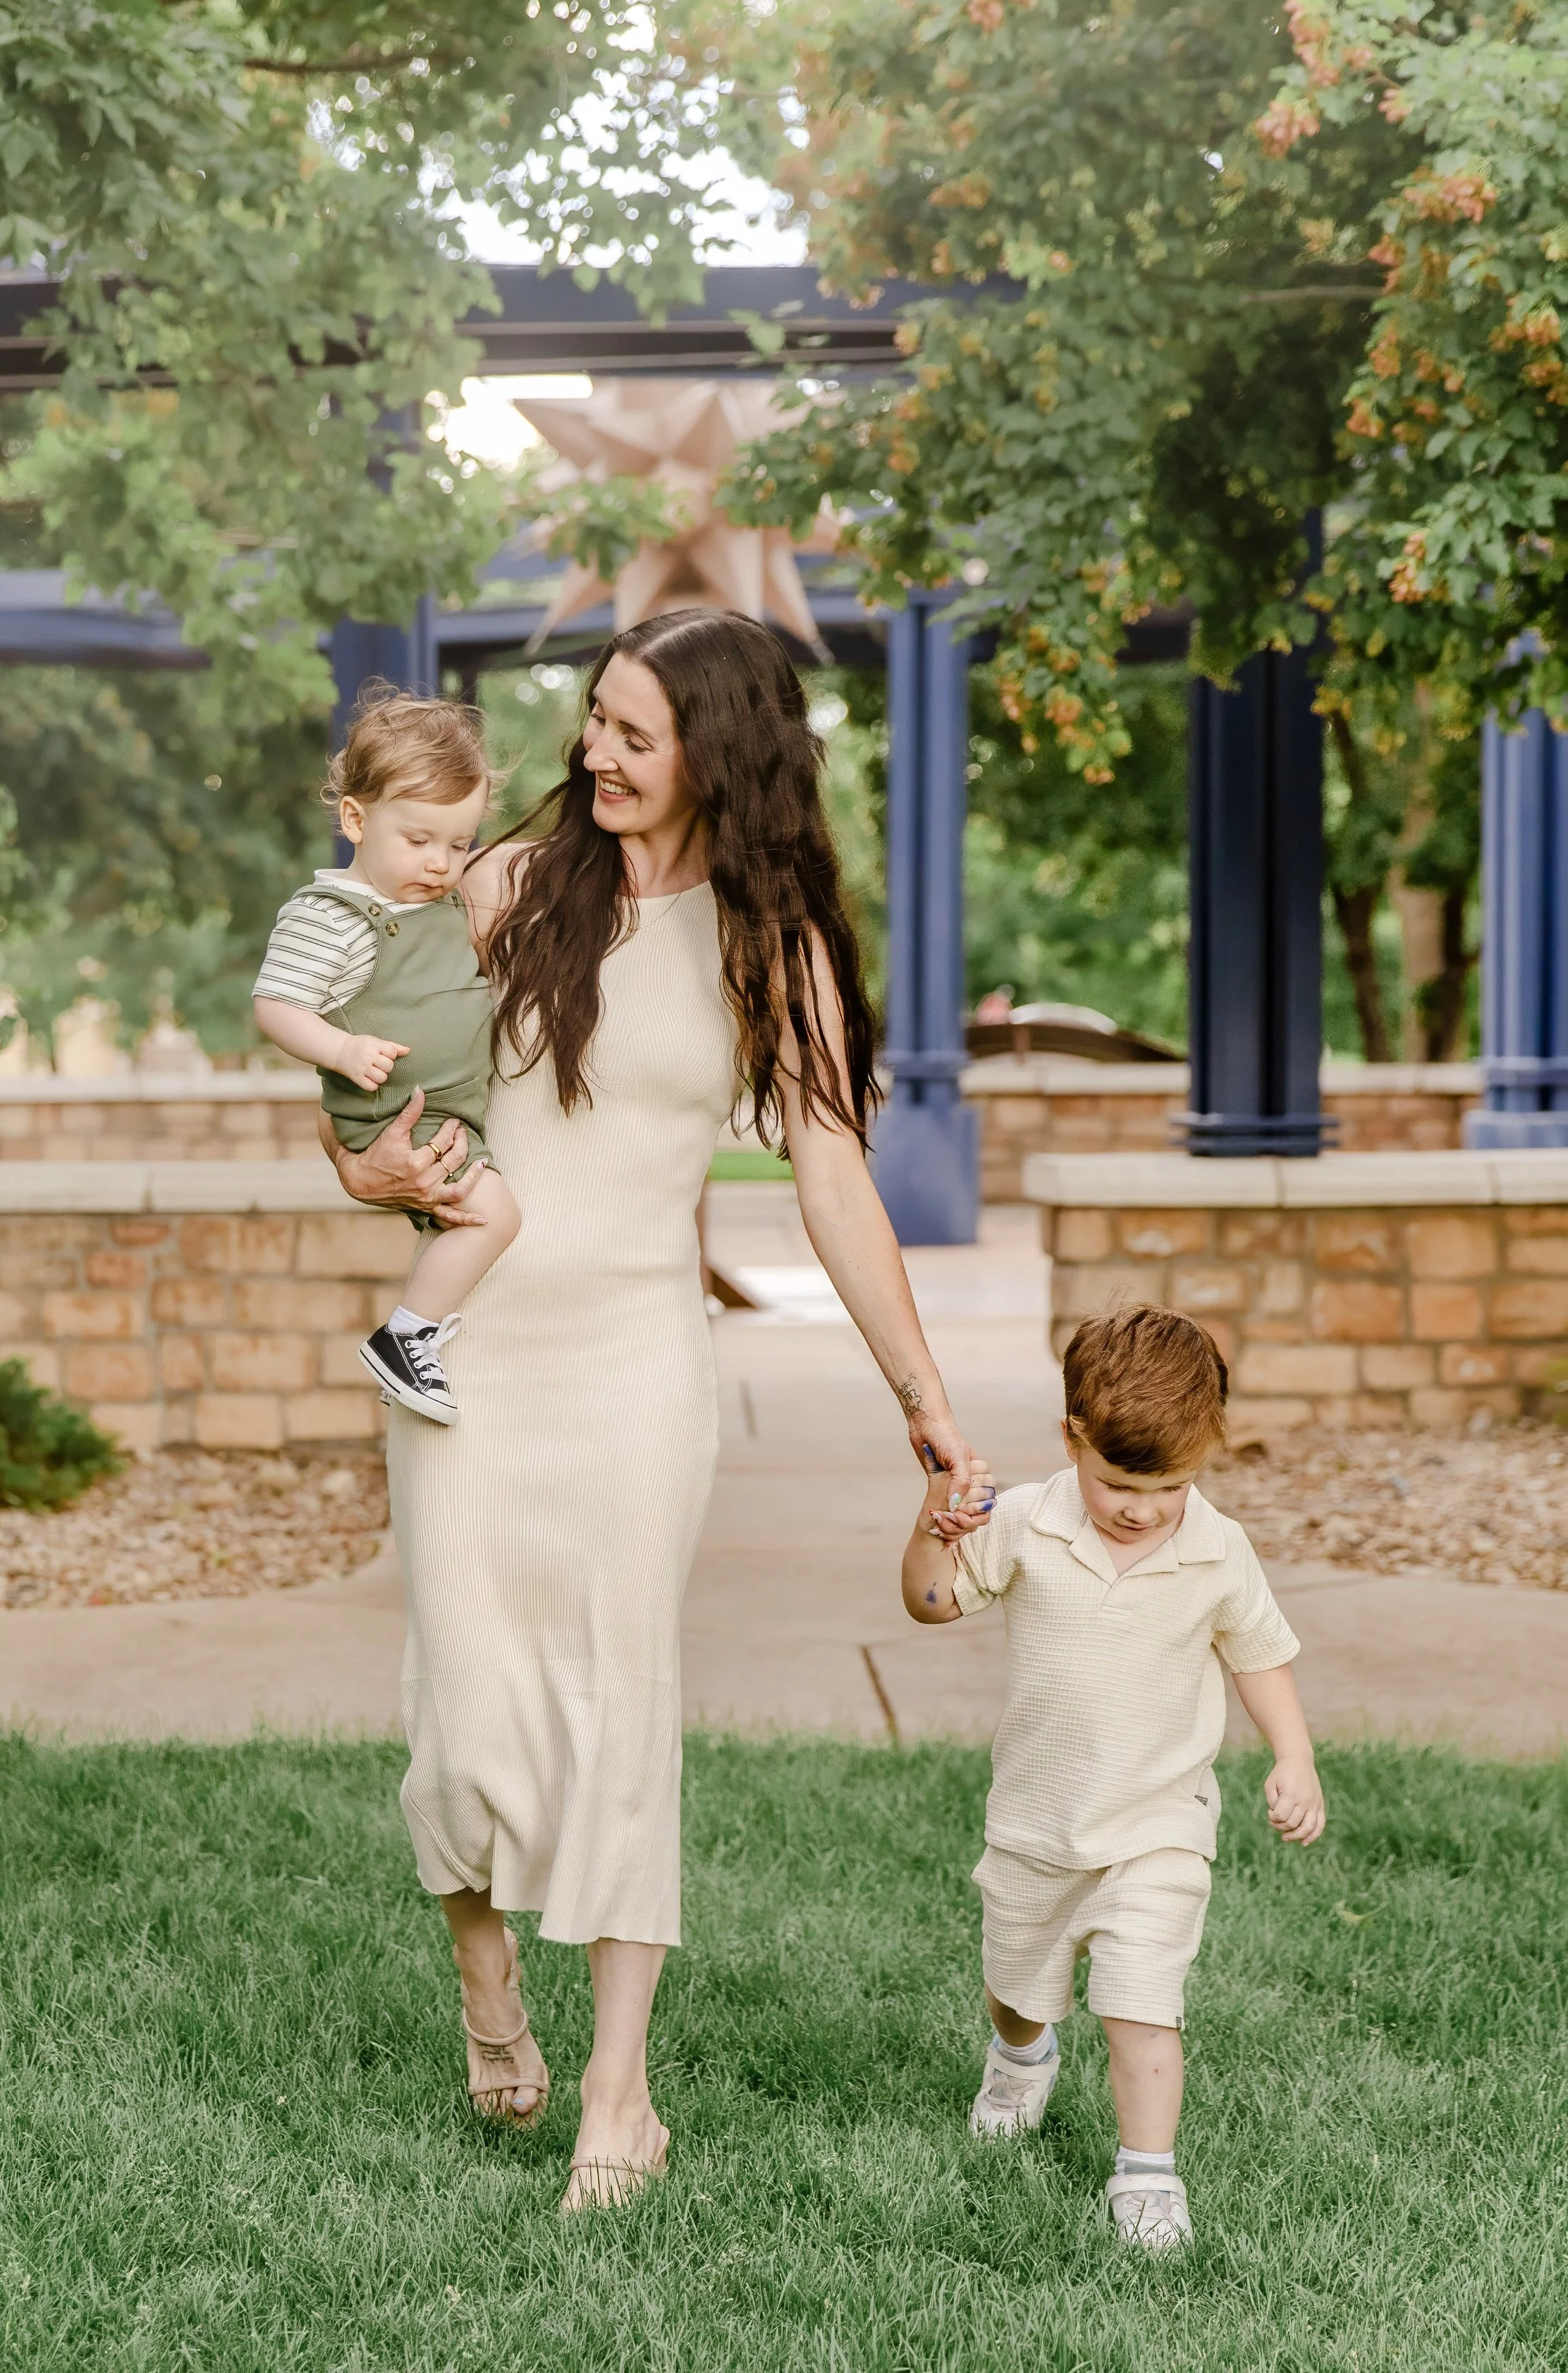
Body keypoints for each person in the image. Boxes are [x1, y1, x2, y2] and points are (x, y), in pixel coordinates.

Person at [319, 607, 983, 2209]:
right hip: (474, 1358)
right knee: (464, 1723)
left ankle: (621, 2090)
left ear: (722, 754)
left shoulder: (780, 950)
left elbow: (836, 1190)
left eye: (634, 732)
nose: (597, 754)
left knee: (622, 1706)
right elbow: (365, 1069)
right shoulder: (514, 886)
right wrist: (362, 1160)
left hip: (635, 1367)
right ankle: (487, 1970)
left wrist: (927, 1404)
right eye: (596, 720)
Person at [902, 1303, 1325, 2251]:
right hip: (1038, 1823)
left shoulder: (1219, 1549)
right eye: (1116, 1481)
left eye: (1168, 1485)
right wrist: (936, 1527)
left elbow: (1261, 1654)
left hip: (1158, 1827)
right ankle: (1021, 2055)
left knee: (1141, 2002)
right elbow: (930, 1601)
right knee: (1017, 1981)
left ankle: (1147, 2174)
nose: (1140, 1506)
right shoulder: (1023, 1523)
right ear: (1072, 1438)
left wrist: (1293, 1755)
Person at [252, 689, 521, 1424]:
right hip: (400, 1118)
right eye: (419, 840)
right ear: (354, 819)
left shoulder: (431, 904)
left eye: (459, 844)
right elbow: (275, 1003)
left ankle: (415, 1333)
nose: (441, 863)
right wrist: (341, 1048)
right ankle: (407, 1337)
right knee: (495, 1216)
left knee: (478, 1215)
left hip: (444, 1108)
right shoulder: (330, 917)